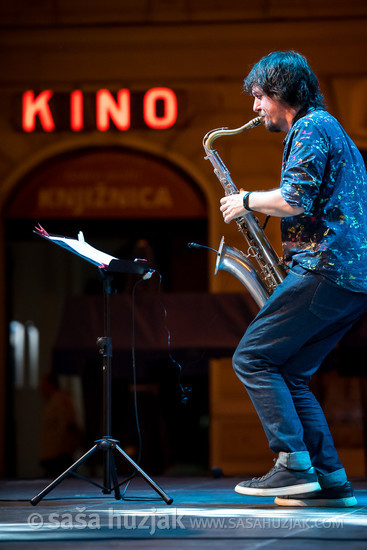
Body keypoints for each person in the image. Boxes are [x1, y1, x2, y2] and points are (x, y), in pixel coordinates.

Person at [219, 51, 367, 507]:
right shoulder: (327, 128)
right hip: (349, 279)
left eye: (260, 96)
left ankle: (292, 464)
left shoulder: (309, 127)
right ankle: (330, 480)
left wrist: (244, 200)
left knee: (252, 358)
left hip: (327, 268)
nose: (255, 107)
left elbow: (296, 199)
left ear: (283, 92)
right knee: (292, 373)